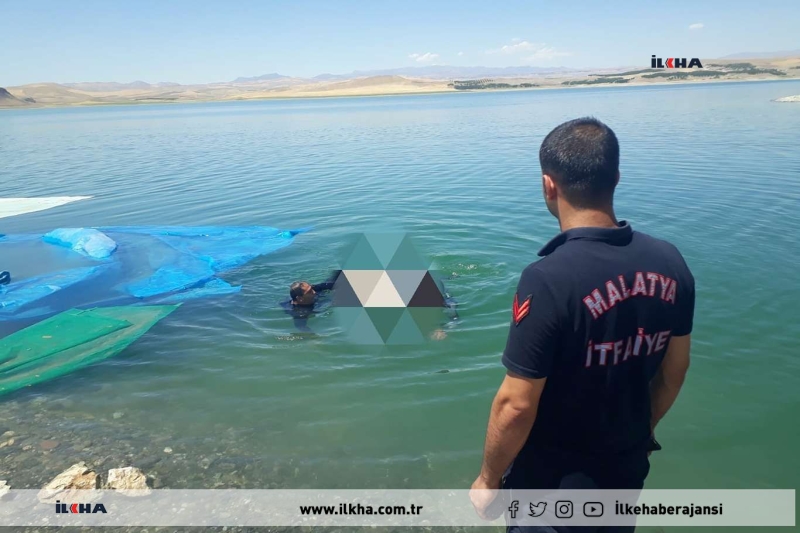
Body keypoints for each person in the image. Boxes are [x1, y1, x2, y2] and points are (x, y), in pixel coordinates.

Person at [470, 118, 695, 533]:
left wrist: (488, 480)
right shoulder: (670, 261)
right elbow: (675, 370)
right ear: (617, 177)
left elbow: (516, 403)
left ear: (548, 186)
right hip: (625, 472)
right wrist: (642, 430)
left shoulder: (548, 278)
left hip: (552, 488)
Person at [284, 270, 458, 336]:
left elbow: (329, 284)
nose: (314, 291)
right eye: (309, 292)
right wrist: (314, 339)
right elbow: (302, 328)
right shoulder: (299, 312)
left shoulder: (315, 292)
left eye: (312, 289)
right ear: (299, 299)